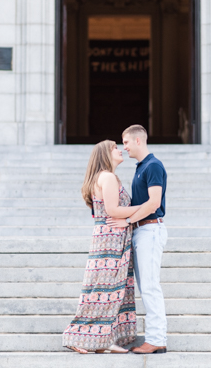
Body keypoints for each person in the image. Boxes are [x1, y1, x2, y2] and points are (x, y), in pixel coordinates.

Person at [62, 139, 143, 354]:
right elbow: (113, 210)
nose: (120, 150)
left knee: (113, 289)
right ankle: (78, 335)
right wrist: (145, 208)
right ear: (106, 154)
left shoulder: (107, 177)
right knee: (103, 290)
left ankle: (104, 339)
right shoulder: (106, 177)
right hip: (110, 239)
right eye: (115, 148)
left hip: (112, 237)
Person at [107, 124, 168, 354]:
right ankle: (155, 337)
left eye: (126, 142)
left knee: (150, 287)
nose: (125, 147)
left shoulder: (153, 166)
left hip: (150, 230)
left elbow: (154, 202)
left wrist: (128, 221)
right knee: (147, 287)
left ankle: (157, 339)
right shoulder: (141, 167)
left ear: (138, 141)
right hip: (142, 231)